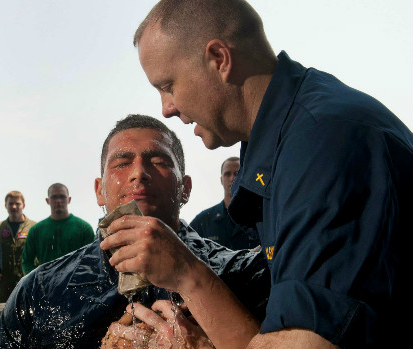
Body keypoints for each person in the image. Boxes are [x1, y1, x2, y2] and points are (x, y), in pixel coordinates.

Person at [127, 0, 413, 348]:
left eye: (168, 85)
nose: (166, 109)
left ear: (219, 59)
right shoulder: (290, 136)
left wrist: (189, 278)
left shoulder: (323, 143)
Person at [0, 114, 270, 348]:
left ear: (185, 188)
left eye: (159, 161)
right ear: (99, 191)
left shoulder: (242, 274)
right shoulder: (39, 292)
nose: (138, 172)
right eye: (122, 163)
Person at [21, 183, 94, 274]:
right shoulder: (36, 231)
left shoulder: (84, 228)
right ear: (47, 200)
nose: (58, 200)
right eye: (54, 197)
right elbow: (27, 262)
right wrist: (36, 283)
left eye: (62, 197)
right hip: (46, 286)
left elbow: (92, 260)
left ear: (69, 199)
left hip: (76, 284)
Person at [190, 157, 259, 250]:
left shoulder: (259, 218)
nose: (232, 178)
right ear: (221, 180)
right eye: (227, 174)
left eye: (237, 173)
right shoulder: (203, 221)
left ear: (244, 177)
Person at [0, 191, 37, 303]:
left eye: (17, 204)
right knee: (3, 316)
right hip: (4, 285)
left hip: (28, 282)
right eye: (11, 204)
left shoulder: (34, 228)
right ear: (6, 205)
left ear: (23, 206)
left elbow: (41, 253)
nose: (14, 207)